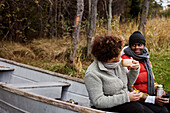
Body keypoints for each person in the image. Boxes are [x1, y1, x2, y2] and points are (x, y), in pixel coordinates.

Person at [84, 35, 155, 113]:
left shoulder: (119, 63)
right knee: (138, 109)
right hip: (105, 107)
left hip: (125, 102)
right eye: (120, 51)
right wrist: (126, 97)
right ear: (113, 56)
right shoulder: (92, 74)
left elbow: (128, 83)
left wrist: (134, 69)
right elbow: (98, 101)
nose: (122, 52)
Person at [121, 31, 169, 113]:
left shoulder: (145, 58)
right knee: (163, 111)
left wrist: (158, 89)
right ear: (130, 46)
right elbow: (129, 88)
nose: (137, 47)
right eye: (133, 45)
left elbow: (152, 79)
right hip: (139, 98)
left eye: (139, 45)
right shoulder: (126, 60)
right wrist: (152, 99)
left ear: (144, 45)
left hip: (151, 93)